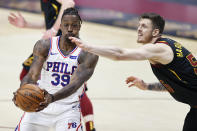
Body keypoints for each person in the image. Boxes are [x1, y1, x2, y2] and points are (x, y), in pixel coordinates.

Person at [69, 13, 197, 131]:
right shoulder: (163, 51)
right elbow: (178, 83)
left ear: (155, 32)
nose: (139, 29)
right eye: (139, 25)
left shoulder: (159, 49)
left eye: (144, 26)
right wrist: (147, 86)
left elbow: (120, 54)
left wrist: (88, 47)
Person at [8, 1, 96, 130]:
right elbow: (48, 21)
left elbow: (69, 2)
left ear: (79, 26)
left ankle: (90, 125)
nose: (70, 28)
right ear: (62, 25)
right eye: (66, 25)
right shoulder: (43, 45)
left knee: (80, 90)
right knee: (27, 73)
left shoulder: (88, 54)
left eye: (74, 25)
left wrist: (54, 30)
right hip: (42, 104)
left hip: (66, 109)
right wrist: (22, 91)